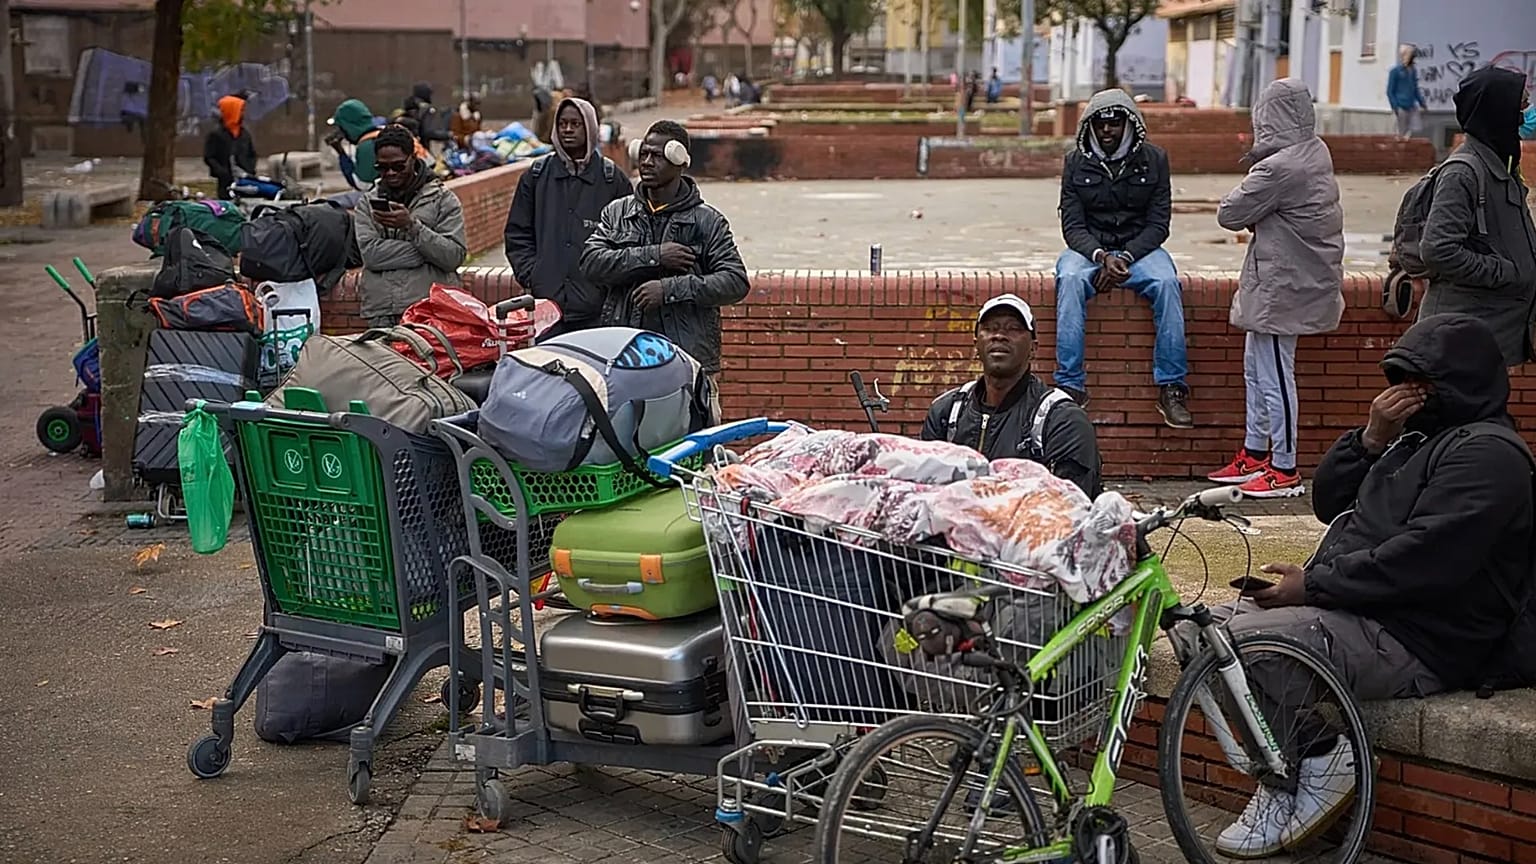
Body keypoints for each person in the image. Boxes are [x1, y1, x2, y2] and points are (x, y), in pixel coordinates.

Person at [1188, 313, 1533, 858]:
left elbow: (1426, 559)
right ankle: (1290, 769)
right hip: (1363, 613)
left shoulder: (1489, 453)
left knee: (1245, 645)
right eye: (1397, 380)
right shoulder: (1409, 439)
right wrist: (1371, 438)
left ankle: (1320, 760)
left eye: (1418, 383)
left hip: (1423, 637)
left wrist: (1315, 587)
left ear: (1459, 381)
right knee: (1204, 637)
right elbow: (1327, 503)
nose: (1403, 394)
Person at [1208, 79, 1344, 498]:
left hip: (1285, 285)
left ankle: (1284, 467)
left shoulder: (1278, 167)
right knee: (1256, 368)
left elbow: (1229, 213)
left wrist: (1258, 210)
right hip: (1289, 278)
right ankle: (1254, 452)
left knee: (1275, 376)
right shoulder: (1314, 150)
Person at [580, 120, 750, 424]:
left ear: (678, 160)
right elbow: (591, 263)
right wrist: (655, 256)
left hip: (687, 362)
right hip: (625, 358)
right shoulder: (618, 213)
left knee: (695, 443)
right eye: (643, 153)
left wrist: (670, 289)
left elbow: (735, 281)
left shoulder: (707, 222)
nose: (646, 162)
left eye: (656, 156)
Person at [1055, 89, 1192, 427]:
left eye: (1114, 124)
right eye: (1100, 125)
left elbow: (1159, 224)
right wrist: (1101, 257)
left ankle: (1171, 387)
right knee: (1069, 279)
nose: (1107, 132)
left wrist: (1127, 256)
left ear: (1129, 124)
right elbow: (1071, 226)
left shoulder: (1156, 159)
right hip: (1091, 250)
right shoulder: (1076, 161)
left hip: (1140, 250)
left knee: (1167, 283)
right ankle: (1070, 386)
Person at [921, 294, 1102, 498]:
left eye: (1013, 329)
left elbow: (1071, 511)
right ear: (976, 345)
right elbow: (925, 495)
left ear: (1033, 347)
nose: (999, 336)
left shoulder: (1062, 420)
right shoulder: (946, 412)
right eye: (990, 328)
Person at [1417, 66, 1536, 368]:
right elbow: (1438, 250)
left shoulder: (1501, 166)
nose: (1523, 118)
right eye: (1519, 107)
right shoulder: (1463, 173)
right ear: (1497, 112)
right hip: (1462, 340)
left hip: (1492, 335)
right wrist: (1505, 272)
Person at [504, 96, 633, 339]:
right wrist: (534, 274)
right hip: (547, 308)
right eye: (563, 124)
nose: (568, 130)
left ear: (590, 128)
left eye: (576, 124)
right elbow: (517, 233)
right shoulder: (536, 176)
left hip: (596, 310)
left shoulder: (611, 180)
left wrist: (606, 284)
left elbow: (629, 240)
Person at [351, 125, 467, 327]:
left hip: (431, 310)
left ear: (413, 159)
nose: (390, 173)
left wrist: (412, 227)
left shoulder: (442, 200)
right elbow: (372, 256)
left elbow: (452, 256)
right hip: (383, 312)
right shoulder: (367, 204)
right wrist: (427, 254)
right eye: (382, 167)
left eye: (398, 166)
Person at [203, 94, 257, 199]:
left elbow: (251, 153)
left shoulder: (244, 133)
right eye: (240, 110)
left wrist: (250, 169)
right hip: (226, 180)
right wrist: (222, 172)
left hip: (245, 178)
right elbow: (209, 157)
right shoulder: (216, 134)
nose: (242, 113)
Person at [326, 98, 384, 191]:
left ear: (349, 126)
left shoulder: (367, 146)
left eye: (342, 127)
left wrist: (341, 154)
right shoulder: (381, 134)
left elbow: (362, 185)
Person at [1386, 45, 1427, 140]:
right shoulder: (1395, 71)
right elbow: (1390, 91)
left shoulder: (1412, 71)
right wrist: (1394, 106)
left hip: (1411, 105)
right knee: (1401, 132)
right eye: (1411, 55)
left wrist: (1421, 102)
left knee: (1415, 129)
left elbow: (1415, 88)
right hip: (1400, 105)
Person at [402, 82, 451, 154]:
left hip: (406, 146)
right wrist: (446, 135)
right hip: (420, 147)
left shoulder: (409, 105)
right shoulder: (426, 109)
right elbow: (427, 131)